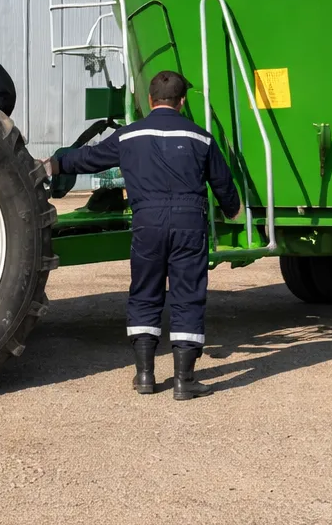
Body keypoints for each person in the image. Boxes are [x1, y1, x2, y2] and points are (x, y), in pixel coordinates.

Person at [46, 70, 243, 400]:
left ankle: (145, 375)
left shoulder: (128, 136)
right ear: (181, 102)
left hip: (147, 223)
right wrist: (233, 210)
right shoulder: (201, 138)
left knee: (145, 292)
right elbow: (224, 188)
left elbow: (88, 158)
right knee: (187, 296)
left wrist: (54, 165)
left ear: (150, 101)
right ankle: (184, 380)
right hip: (188, 225)